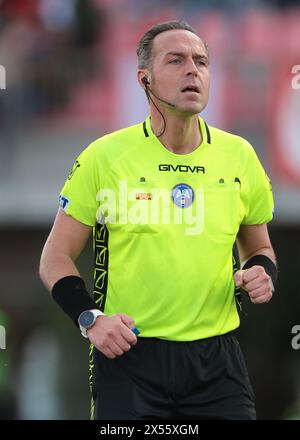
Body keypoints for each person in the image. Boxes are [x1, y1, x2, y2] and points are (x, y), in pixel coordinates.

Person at [39, 20, 278, 420]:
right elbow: (54, 258)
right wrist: (90, 320)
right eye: (177, 60)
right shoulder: (104, 157)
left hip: (216, 361)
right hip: (131, 357)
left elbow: (260, 249)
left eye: (201, 61)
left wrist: (261, 272)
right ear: (144, 79)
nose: (193, 70)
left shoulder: (240, 156)